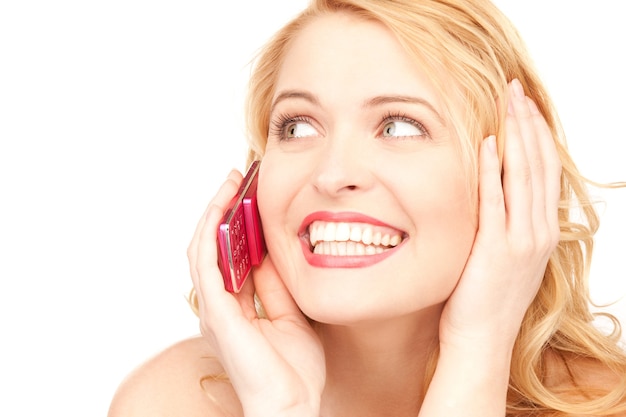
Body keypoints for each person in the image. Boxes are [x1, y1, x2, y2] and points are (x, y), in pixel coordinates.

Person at [108, 0, 626, 416]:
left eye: (399, 125)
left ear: (514, 172)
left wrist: (477, 356)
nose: (332, 175)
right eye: (298, 126)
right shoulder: (170, 402)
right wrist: (282, 408)